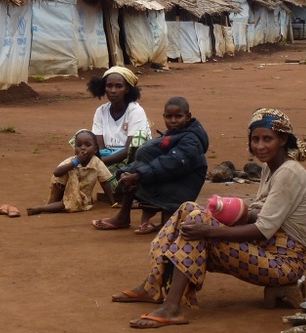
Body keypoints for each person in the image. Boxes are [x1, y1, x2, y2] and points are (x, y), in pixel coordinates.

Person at [111, 108, 306, 328]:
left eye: (267, 139)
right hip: (265, 248)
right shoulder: (271, 167)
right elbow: (257, 213)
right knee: (189, 209)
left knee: (199, 223)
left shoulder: (288, 173)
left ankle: (171, 308)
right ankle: (152, 285)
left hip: (282, 263)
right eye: (255, 139)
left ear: (283, 140)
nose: (260, 146)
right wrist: (222, 210)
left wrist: (209, 229)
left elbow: (262, 229)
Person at [91, 97, 208, 234]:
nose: (173, 121)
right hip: (169, 178)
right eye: (169, 117)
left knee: (136, 176)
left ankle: (163, 222)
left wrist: (138, 174)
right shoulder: (177, 134)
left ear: (188, 117)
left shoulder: (191, 140)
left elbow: (170, 163)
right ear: (164, 117)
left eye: (178, 116)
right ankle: (124, 217)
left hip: (180, 186)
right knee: (129, 174)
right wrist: (127, 171)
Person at [86, 66, 150, 202]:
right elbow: (99, 146)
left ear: (127, 89)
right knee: (81, 137)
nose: (113, 91)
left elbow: (129, 150)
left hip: (132, 160)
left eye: (118, 86)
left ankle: (131, 186)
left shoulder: (135, 111)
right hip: (108, 159)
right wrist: (98, 161)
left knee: (138, 141)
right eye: (109, 86)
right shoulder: (101, 111)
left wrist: (97, 163)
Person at [27, 129, 112, 216]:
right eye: (79, 145)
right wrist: (76, 161)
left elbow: (105, 183)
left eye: (87, 145)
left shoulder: (97, 163)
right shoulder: (72, 161)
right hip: (64, 191)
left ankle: (41, 208)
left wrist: (113, 203)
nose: (83, 148)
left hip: (80, 197)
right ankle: (53, 204)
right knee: (62, 174)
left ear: (95, 149)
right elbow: (56, 173)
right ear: (75, 149)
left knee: (68, 202)